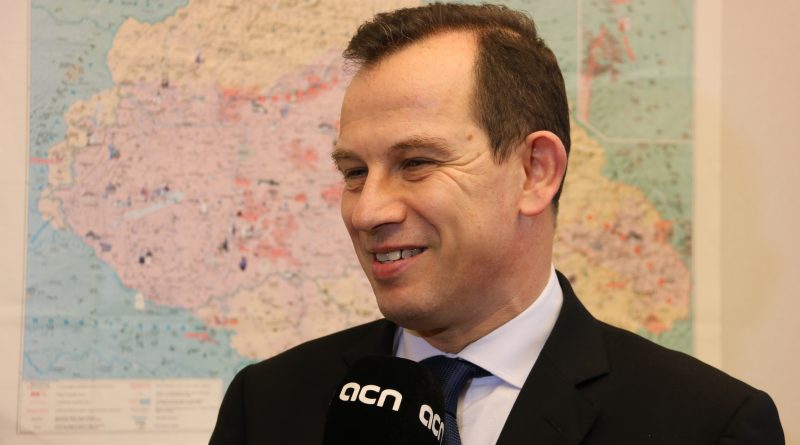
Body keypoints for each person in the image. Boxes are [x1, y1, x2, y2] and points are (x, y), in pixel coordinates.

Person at [209, 3, 784, 444]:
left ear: (535, 172)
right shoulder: (267, 406)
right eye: (355, 172)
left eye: (416, 163)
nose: (367, 211)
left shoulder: (707, 424)